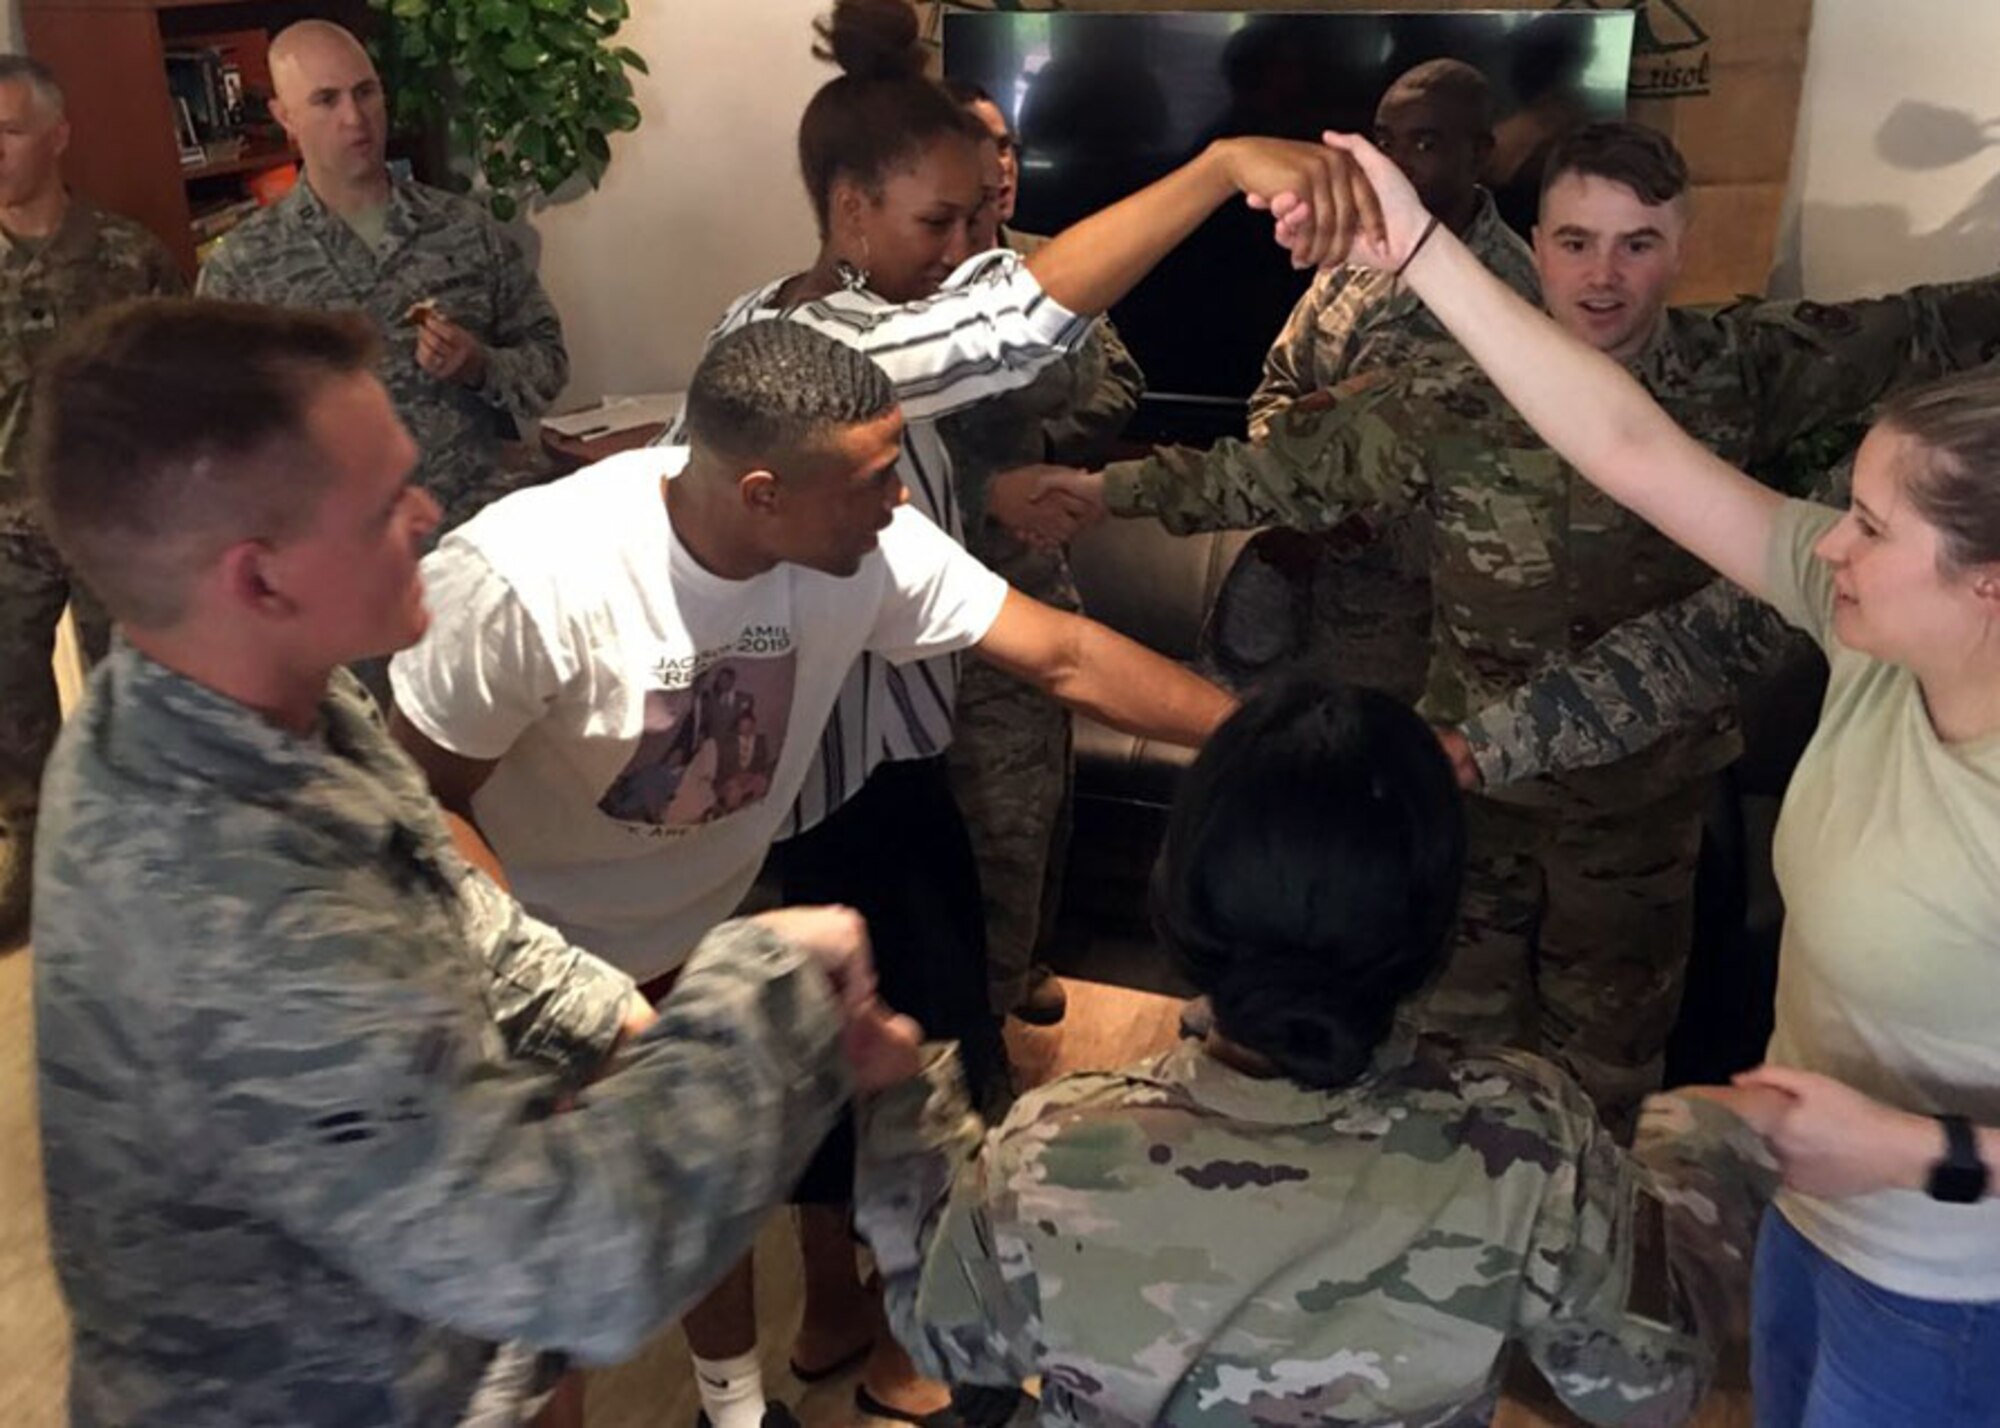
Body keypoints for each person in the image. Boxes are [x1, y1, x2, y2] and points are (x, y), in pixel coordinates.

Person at [624, 1, 1374, 1419]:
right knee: (904, 1065)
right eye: (938, 223)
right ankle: (908, 1340)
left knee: (832, 1066)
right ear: (851, 214)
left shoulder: (767, 320)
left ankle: (839, 1317)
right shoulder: (839, 344)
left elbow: (1022, 605)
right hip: (826, 794)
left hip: (822, 781)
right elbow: (1022, 323)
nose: (968, 253)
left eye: (983, 217)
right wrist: (1220, 169)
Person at [29, 297, 922, 1428]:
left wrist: (630, 1026)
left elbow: (448, 903)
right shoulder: (232, 906)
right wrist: (764, 990)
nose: (427, 513)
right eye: (376, 506)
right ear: (258, 580)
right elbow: (574, 1265)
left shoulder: (260, 701)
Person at [1031, 122, 2000, 1133]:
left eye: (1638, 243)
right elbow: (1276, 473)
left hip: (1638, 807)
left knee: (1607, 1076)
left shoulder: (1744, 369)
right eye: (1574, 241)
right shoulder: (1446, 392)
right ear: (1530, 244)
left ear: (1680, 247)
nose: (1603, 275)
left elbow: (1925, 322)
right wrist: (1103, 491)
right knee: (1449, 1058)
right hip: (1472, 791)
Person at [388, 319, 1243, 1428]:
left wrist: (1269, 741)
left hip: (695, 936)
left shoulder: (863, 543)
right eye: (875, 481)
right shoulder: (525, 580)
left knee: (708, 1187)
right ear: (760, 494)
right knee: (545, 1297)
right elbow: (413, 811)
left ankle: (732, 1413)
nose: (900, 502)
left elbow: (1065, 656)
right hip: (516, 969)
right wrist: (576, 1005)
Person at [1328, 121, 2000, 1428]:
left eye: (1870, 524)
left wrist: (1924, 1154)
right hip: (1820, 1231)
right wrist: (1418, 251)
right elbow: (1627, 447)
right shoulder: (1870, 638)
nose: (1832, 545)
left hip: (1951, 1297)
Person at [853, 677, 1781, 1427]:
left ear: (1177, 899)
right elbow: (1645, 1387)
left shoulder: (1052, 1145)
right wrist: (1705, 1145)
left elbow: (949, 1343)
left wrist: (908, 1116)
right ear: (1432, 929)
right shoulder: (1529, 1143)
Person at [1213, 57, 1541, 702]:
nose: (1397, 163)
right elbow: (1277, 384)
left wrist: (1346, 524)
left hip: (1428, 641)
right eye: (1386, 143)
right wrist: (1296, 488)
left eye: (1425, 142)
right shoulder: (1357, 254)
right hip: (1305, 615)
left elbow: (1504, 483)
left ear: (1480, 154)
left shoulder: (1512, 291)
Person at [938, 79, 1148, 1029]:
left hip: (1038, 581)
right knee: (984, 828)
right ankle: (976, 1022)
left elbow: (1121, 378)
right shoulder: (904, 294)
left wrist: (1056, 450)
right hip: (946, 599)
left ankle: (1020, 967)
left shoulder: (1054, 268)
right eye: (983, 152)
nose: (1004, 168)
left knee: (1041, 806)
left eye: (1009, 148)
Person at [197, 20, 567, 538]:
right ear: (286, 117)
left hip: (475, 540)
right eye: (326, 100)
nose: (355, 118)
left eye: (365, 92)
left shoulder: (462, 229)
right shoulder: (244, 267)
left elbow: (548, 365)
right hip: (340, 562)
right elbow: (215, 440)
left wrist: (480, 365)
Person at [0, 54, 180, 943]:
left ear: (58, 135)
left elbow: (179, 387)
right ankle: (34, 863)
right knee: (11, 706)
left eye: (7, 130)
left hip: (111, 525)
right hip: (5, 529)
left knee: (128, 700)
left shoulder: (126, 255)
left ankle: (131, 859)